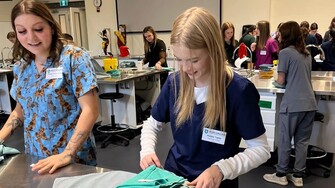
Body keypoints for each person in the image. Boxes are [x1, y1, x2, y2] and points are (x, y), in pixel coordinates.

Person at [139, 7, 271, 188]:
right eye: (179, 59)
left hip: (216, 182)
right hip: (174, 178)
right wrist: (146, 151)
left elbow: (261, 149)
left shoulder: (238, 91)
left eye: (194, 60)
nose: (185, 68)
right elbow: (152, 124)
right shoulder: (175, 83)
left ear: (213, 51)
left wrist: (221, 169)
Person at [0, 0, 99, 174]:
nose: (31, 38)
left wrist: (68, 154)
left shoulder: (73, 58)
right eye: (22, 31)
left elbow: (90, 110)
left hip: (72, 159)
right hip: (36, 158)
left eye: (38, 29)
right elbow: (20, 110)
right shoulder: (22, 66)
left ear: (51, 27)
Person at [263, 21, 317, 187]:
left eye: (279, 34)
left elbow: (281, 81)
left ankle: (281, 174)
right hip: (309, 104)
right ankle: (298, 175)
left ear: (286, 35)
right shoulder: (306, 53)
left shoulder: (285, 53)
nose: (277, 36)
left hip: (292, 104)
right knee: (302, 142)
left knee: (286, 139)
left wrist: (274, 80)